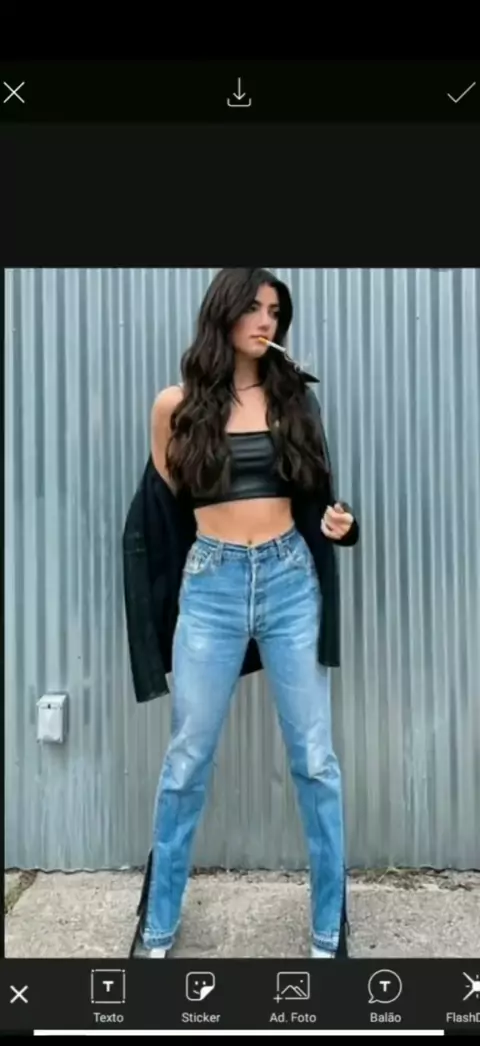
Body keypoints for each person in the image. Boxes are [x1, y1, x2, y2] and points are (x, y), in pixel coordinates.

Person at [123, 267, 360, 960]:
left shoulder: (294, 399)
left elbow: (320, 498)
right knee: (186, 761)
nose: (266, 322)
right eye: (253, 308)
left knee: (315, 760)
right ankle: (157, 927)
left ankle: (329, 929)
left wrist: (345, 526)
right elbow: (166, 514)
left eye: (275, 311)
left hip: (290, 581)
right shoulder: (175, 405)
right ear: (222, 313)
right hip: (212, 585)